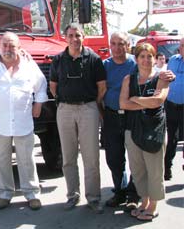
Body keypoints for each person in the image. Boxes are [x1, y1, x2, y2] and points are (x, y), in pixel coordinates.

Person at [0, 32, 47, 210]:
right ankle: (4, 194)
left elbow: (41, 84)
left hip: (23, 120)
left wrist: (38, 104)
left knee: (27, 159)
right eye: (5, 45)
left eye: (12, 46)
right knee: (0, 160)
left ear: (19, 48)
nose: (8, 49)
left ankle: (32, 194)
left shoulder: (29, 64)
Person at [49, 23, 107, 214]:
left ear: (84, 37)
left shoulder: (94, 59)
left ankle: (94, 198)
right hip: (65, 110)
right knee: (68, 157)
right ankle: (72, 195)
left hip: (88, 109)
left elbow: (102, 87)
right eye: (71, 35)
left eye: (78, 35)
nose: (75, 39)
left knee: (91, 157)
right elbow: (53, 86)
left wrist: (91, 104)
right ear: (65, 37)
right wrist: (63, 102)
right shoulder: (58, 59)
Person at [119, 43, 169, 221]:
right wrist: (145, 101)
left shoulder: (161, 77)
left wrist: (136, 99)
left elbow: (158, 101)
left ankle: (153, 205)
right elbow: (123, 104)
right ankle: (144, 201)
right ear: (136, 59)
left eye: (150, 56)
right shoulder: (128, 79)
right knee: (138, 170)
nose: (146, 60)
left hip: (154, 129)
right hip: (132, 129)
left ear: (155, 59)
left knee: (154, 170)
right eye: (142, 56)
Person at [102, 31, 140, 211]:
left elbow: (153, 74)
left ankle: (134, 194)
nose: (117, 48)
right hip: (110, 116)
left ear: (128, 45)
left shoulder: (136, 63)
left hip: (132, 117)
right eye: (113, 43)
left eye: (121, 44)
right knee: (114, 158)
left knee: (135, 157)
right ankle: (120, 191)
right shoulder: (104, 65)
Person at [164, 37, 184, 180]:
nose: (182, 48)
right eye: (182, 45)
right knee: (171, 139)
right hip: (171, 105)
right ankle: (167, 167)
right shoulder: (172, 60)